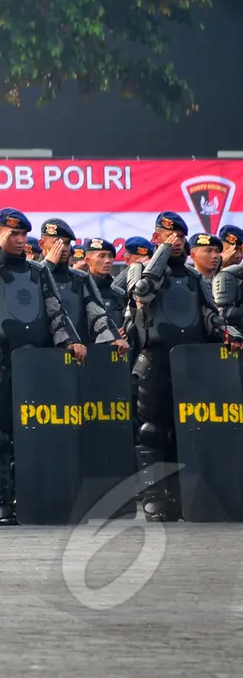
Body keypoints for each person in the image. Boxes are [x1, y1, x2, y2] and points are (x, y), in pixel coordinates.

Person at [0, 208, 85, 526]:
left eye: (24, 235)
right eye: (13, 234)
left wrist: (71, 340)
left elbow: (55, 311)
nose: (20, 240)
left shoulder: (39, 272)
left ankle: (27, 497)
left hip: (34, 363)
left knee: (34, 433)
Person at [129, 212, 243, 522]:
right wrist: (162, 253)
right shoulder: (140, 268)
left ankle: (180, 497)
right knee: (152, 431)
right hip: (154, 360)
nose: (176, 240)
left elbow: (209, 314)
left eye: (180, 236)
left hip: (189, 364)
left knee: (185, 433)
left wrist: (226, 331)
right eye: (169, 236)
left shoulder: (194, 278)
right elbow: (142, 293)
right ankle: (154, 497)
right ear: (157, 238)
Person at [38, 219, 126, 350]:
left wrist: (113, 338)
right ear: (42, 244)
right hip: (40, 353)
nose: (62, 248)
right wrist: (48, 265)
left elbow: (97, 314)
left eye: (66, 243)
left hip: (78, 353)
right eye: (56, 243)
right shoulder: (32, 274)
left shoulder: (80, 279)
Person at [83, 238, 127, 331]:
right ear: (87, 260)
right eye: (102, 256)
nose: (108, 260)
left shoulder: (119, 294)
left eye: (110, 256)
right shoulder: (80, 290)